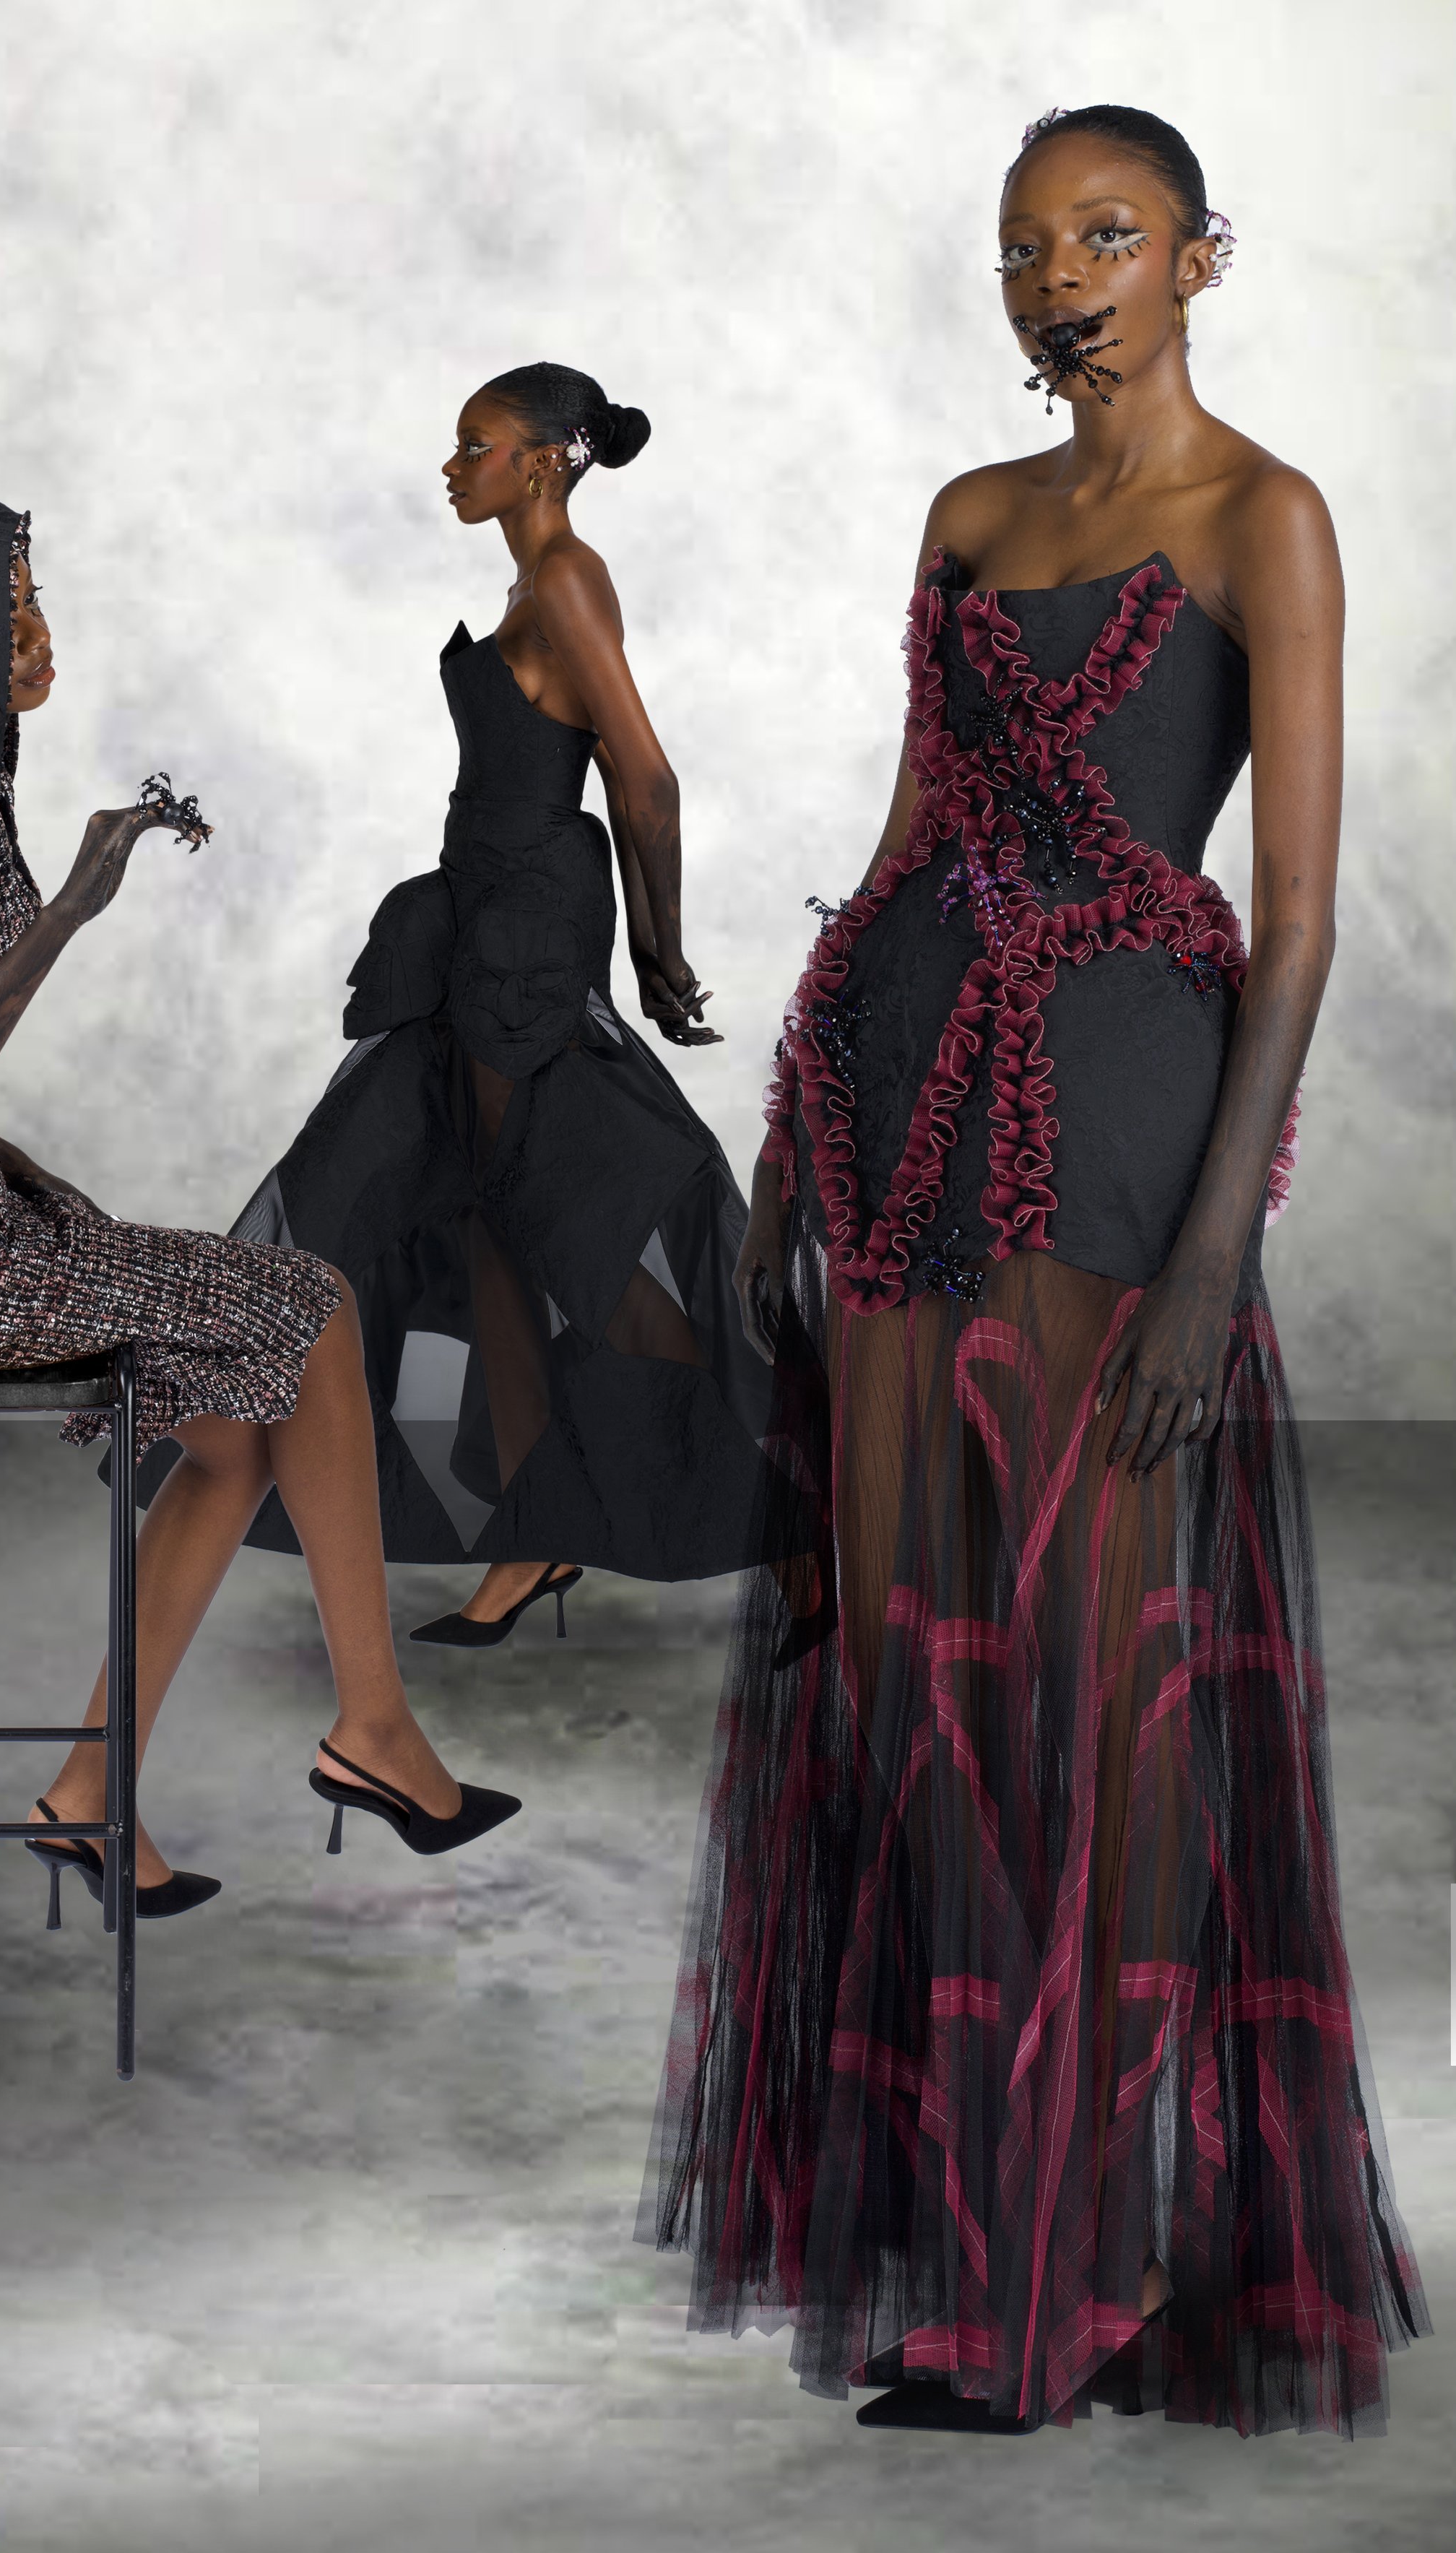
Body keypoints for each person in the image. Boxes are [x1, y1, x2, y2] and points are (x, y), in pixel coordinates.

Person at [642, 109, 1426, 2436]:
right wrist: (791, 1138)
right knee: (911, 1686)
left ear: (1199, 256)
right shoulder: (969, 520)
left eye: (1101, 236)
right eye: (1021, 244)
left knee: (1098, 1695)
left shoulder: (1261, 516)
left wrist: (1213, 1258)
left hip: (1116, 1141)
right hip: (900, 1125)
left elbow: (1286, 926)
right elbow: (903, 848)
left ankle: (1092, 2268)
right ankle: (977, 2238)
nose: (1055, 275)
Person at [0, 474, 518, 1905]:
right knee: (306, 1302)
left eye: (33, 590)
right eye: (3, 596)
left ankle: (97, 1790)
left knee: (229, 1425)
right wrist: (78, 910)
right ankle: (374, 1727)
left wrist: (14, 1174)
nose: (34, 626)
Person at [186, 364, 772, 1642]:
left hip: (523, 952)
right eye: (455, 447)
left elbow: (649, 782)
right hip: (482, 926)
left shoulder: (565, 578)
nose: (451, 467)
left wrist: (665, 957)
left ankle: (800, 1491)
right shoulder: (533, 582)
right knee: (481, 1225)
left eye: (477, 446)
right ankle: (533, 1541)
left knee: (583, 1231)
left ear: (550, 458)